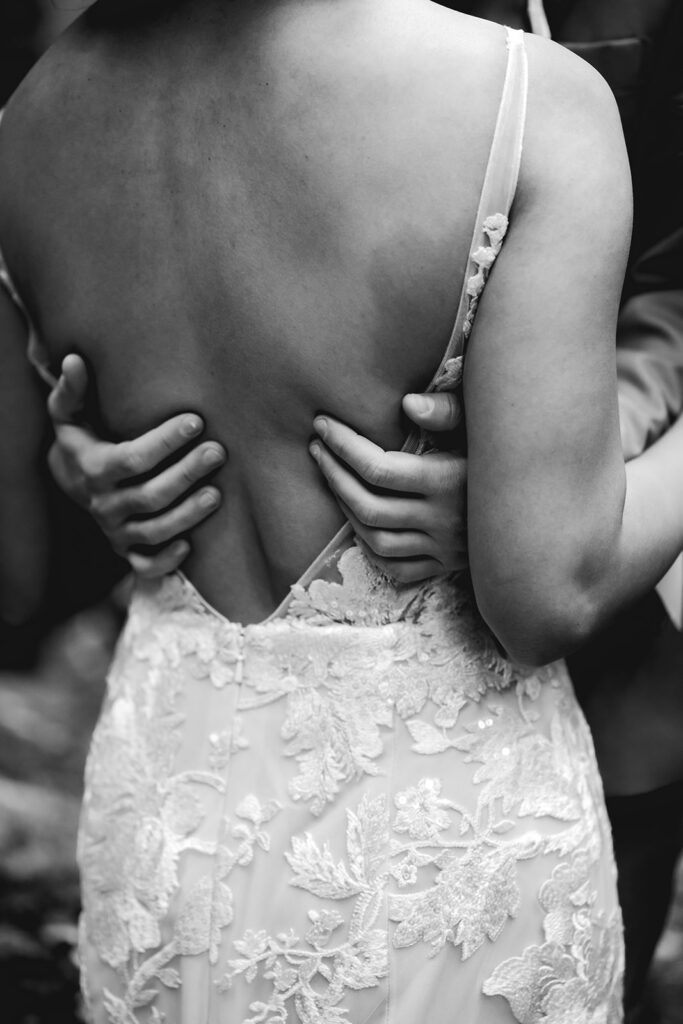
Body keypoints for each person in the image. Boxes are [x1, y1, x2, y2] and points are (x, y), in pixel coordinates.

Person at [2, 0, 682, 1020]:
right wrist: (79, 467)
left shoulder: (27, 125)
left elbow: (14, 576)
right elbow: (548, 590)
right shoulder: (527, 101)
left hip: (172, 817)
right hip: (446, 851)